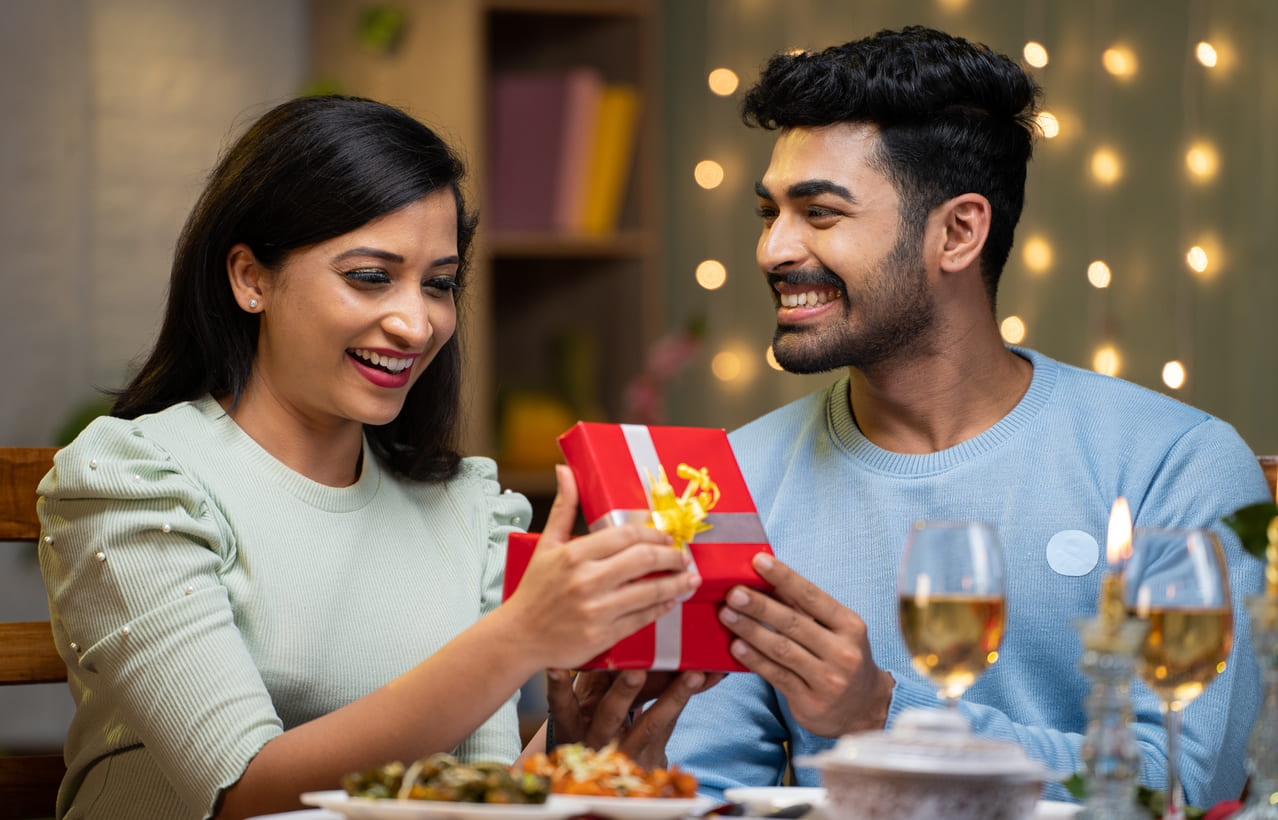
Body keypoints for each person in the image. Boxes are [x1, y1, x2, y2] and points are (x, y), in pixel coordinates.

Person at [36, 95, 711, 820]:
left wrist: (575, 750)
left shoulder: (466, 505)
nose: (416, 323)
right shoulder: (134, 478)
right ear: (249, 278)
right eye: (370, 276)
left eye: (440, 284)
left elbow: (474, 796)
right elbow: (241, 792)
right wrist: (519, 638)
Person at [663, 26, 1266, 808]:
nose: (774, 249)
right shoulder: (734, 478)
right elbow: (701, 790)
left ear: (958, 231)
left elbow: (1182, 781)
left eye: (819, 214)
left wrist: (884, 715)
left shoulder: (1172, 465)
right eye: (769, 212)